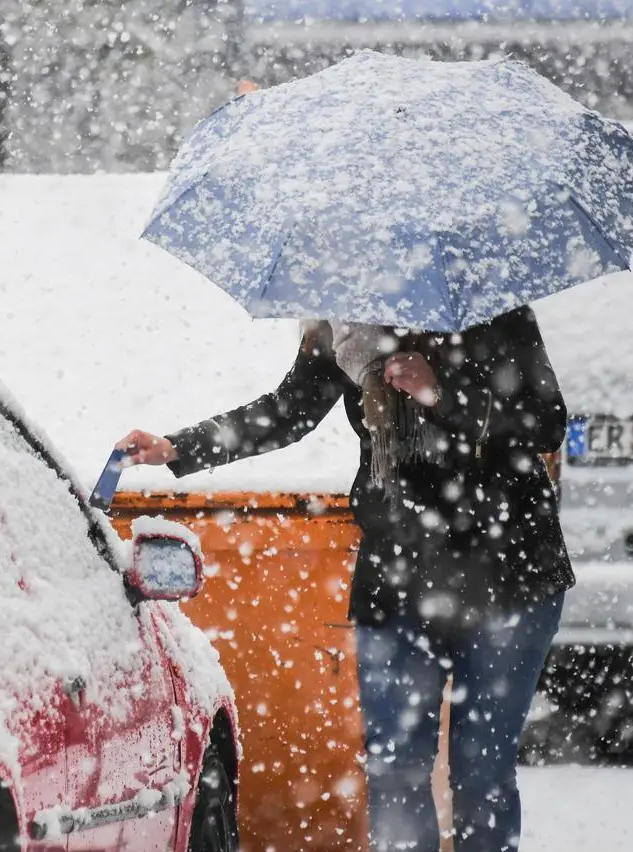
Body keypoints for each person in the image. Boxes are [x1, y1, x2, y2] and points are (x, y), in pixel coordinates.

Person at [117, 308, 573, 852]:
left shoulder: (491, 308)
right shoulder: (349, 326)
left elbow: (547, 421)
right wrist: (177, 447)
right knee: (396, 767)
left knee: (482, 771)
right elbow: (288, 412)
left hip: (508, 570)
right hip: (401, 571)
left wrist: (440, 393)